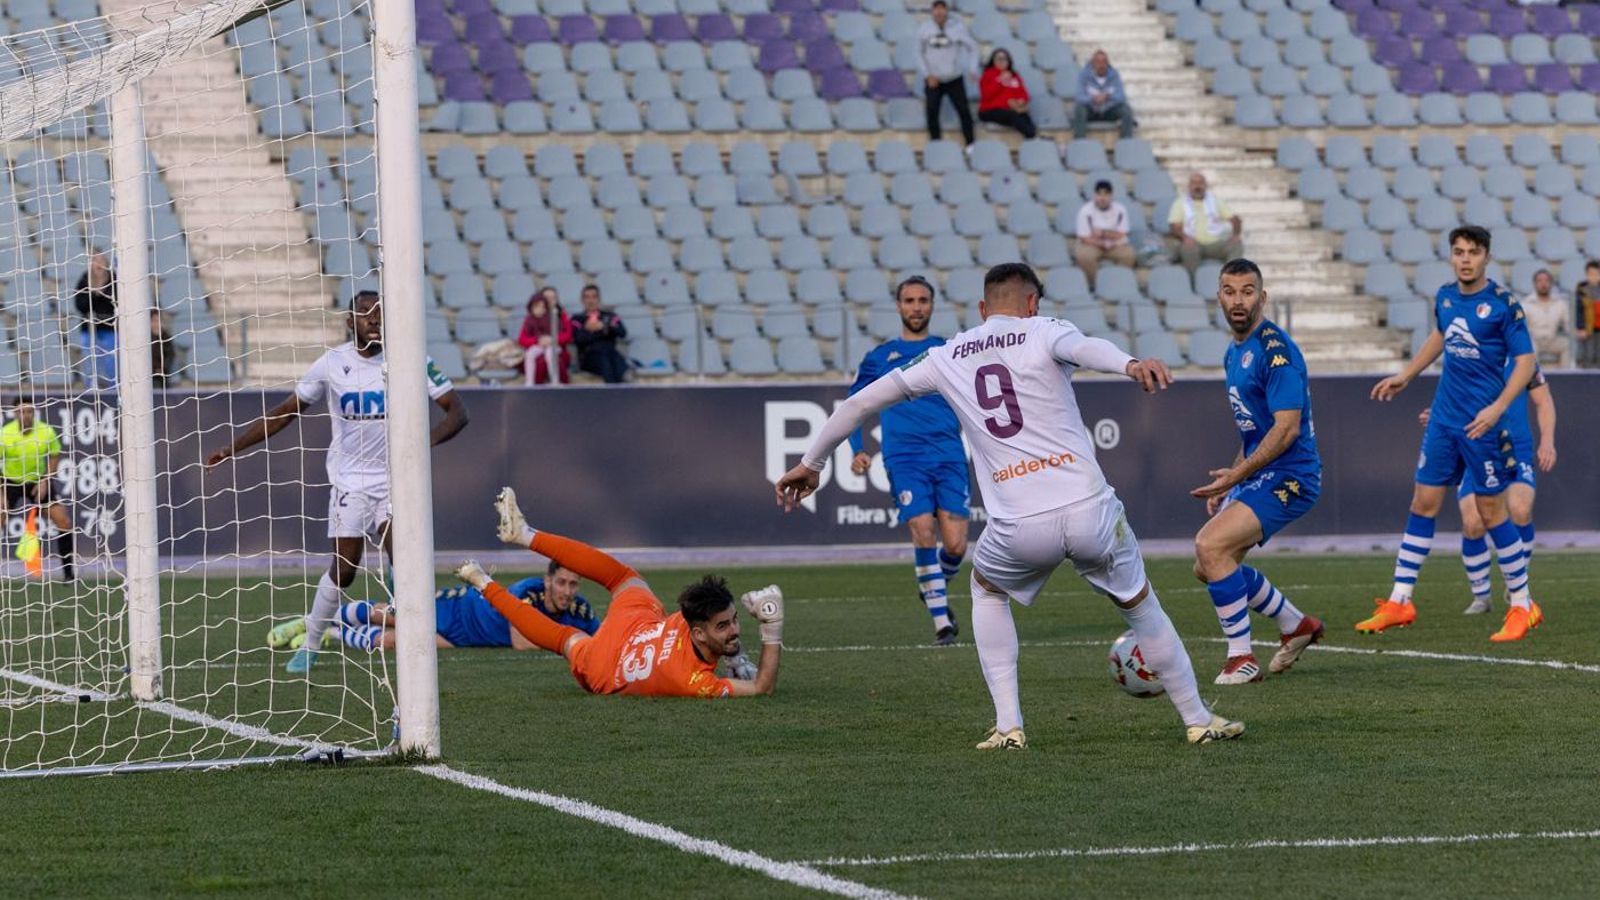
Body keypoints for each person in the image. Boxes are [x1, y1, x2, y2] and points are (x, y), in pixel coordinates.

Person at [776, 262, 1243, 748]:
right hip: (1089, 510)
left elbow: (857, 405)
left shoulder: (946, 354)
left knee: (987, 591)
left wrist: (812, 462)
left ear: (982, 309)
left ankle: (1009, 726)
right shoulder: (1044, 331)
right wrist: (1129, 364)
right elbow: (1085, 349)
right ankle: (1197, 719)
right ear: (1033, 304)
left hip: (1020, 525)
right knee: (1142, 606)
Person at [205, 290, 470, 672]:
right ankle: (312, 643)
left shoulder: (411, 359)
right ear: (350, 322)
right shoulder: (332, 364)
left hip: (397, 480)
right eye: (365, 313)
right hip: (350, 482)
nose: (374, 319)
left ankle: (408, 631)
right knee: (345, 570)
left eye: (380, 312)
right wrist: (232, 448)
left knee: (405, 559)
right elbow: (285, 413)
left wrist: (418, 446)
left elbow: (457, 413)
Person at [1363, 226, 1540, 642]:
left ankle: (1522, 605)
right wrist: (1407, 375)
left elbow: (1527, 362)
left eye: (1473, 253)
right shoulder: (1444, 297)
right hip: (1443, 420)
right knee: (1423, 502)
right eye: (1458, 252)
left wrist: (1497, 408)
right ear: (1451, 256)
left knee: (1490, 511)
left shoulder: (1502, 305)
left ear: (1486, 258)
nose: (1465, 259)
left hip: (1482, 424)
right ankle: (1400, 600)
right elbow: (1441, 336)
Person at [458, 486, 783, 698]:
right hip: (612, 665)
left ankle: (525, 537)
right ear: (697, 632)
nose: (735, 628)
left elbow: (706, 622)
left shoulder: (692, 622)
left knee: (623, 578)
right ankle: (484, 581)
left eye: (734, 621)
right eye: (725, 625)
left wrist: (734, 651)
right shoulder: (694, 682)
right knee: (564, 639)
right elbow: (761, 687)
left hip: (639, 630)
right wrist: (771, 628)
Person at [1190, 260, 1325, 685]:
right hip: (1263, 473)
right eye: (1230, 291)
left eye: (1247, 291)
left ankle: (1241, 659)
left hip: (1293, 475)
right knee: (1208, 563)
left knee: (1210, 545)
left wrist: (1238, 476)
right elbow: (1256, 427)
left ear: (1262, 298)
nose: (1238, 300)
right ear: (1219, 297)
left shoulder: (1275, 350)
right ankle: (1295, 624)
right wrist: (1233, 474)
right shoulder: (1234, 351)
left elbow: (1286, 429)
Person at [848, 275, 969, 646]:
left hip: (949, 454)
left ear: (932, 305)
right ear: (898, 306)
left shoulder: (949, 350)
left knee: (955, 547)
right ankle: (942, 625)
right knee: (922, 530)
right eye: (909, 300)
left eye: (922, 300)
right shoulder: (880, 358)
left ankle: (931, 586)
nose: (916, 307)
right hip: (905, 458)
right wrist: (857, 449)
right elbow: (854, 406)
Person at [1422, 364, 1555, 616]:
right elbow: (1452, 400)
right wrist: (1439, 416)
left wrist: (1547, 441)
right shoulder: (1466, 357)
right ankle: (1481, 597)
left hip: (1516, 450)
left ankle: (1516, 583)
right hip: (1476, 449)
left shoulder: (1523, 360)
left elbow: (1544, 400)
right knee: (1473, 522)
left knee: (1520, 509)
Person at [319, 561, 599, 652]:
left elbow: (603, 636)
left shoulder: (580, 610)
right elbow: (521, 641)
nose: (566, 590)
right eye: (561, 582)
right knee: (393, 614)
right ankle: (320, 620)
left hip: (466, 638)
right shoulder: (527, 590)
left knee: (391, 642)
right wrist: (571, 641)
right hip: (459, 609)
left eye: (573, 585)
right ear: (549, 580)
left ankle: (333, 634)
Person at [0, 402, 74, 581]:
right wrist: (1, 493)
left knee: (63, 521)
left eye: (29, 411)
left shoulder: (46, 431)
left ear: (33, 413)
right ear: (15, 413)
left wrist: (45, 480)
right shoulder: (5, 434)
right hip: (10, 481)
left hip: (37, 481)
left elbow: (55, 455)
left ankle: (69, 575)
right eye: (21, 411)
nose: (25, 415)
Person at [917, 0, 978, 146]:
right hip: (933, 79)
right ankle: (936, 143)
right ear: (932, 11)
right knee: (932, 111)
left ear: (946, 11)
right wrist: (927, 75)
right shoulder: (924, 29)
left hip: (954, 78)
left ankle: (970, 144)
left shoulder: (957, 28)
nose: (939, 12)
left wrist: (973, 68)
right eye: (936, 9)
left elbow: (973, 47)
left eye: (942, 9)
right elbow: (918, 53)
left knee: (964, 111)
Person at [1167, 172, 1243, 273]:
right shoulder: (1180, 203)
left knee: (1236, 245)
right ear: (1189, 186)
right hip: (1193, 243)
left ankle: (1231, 279)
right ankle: (1193, 283)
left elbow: (1235, 219)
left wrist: (1235, 234)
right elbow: (1174, 226)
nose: (1197, 186)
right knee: (1188, 248)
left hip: (1215, 243)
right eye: (1194, 183)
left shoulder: (1216, 201)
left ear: (1205, 185)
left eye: (1200, 183)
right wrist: (1185, 238)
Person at [1072, 180, 1135, 287]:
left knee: (1129, 255)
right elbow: (1084, 237)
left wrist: (1102, 233)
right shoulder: (1086, 211)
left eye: (1106, 194)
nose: (1102, 198)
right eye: (1099, 194)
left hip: (1115, 244)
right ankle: (1096, 285)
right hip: (1091, 244)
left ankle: (1118, 284)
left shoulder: (1120, 209)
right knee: (1084, 256)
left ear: (1111, 196)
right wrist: (1102, 242)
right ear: (1094, 195)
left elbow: (1122, 233)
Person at [73, 252, 117, 390]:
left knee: (112, 361)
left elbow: (118, 303)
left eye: (101, 261)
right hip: (89, 329)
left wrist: (103, 294)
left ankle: (114, 388)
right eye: (95, 261)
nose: (98, 264)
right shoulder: (84, 281)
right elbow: (80, 305)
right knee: (91, 360)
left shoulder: (114, 280)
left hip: (110, 328)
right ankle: (91, 388)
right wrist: (94, 294)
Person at [572, 284, 629, 384]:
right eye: (587, 297)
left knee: (620, 364)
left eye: (594, 297)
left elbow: (622, 333)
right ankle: (613, 395)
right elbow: (578, 339)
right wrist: (590, 330)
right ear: (582, 300)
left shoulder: (610, 316)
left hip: (610, 353)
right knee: (605, 363)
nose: (591, 301)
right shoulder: (577, 319)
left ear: (599, 299)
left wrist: (603, 327)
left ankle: (622, 395)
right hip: (589, 357)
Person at [1072, 49, 1134, 139]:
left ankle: (1126, 143)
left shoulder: (1114, 75)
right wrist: (1092, 98)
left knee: (1126, 110)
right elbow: (1079, 96)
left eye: (1104, 62)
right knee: (1079, 109)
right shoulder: (1084, 75)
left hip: (1109, 111)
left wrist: (1107, 96)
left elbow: (1121, 96)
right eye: (1098, 62)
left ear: (1108, 63)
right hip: (1091, 110)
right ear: (1092, 63)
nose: (1101, 65)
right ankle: (1080, 142)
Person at [977, 49, 1037, 139]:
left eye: (1004, 59)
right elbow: (986, 95)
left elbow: (1024, 94)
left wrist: (1021, 101)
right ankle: (1032, 137)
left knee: (1026, 117)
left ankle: (1033, 139)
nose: (1002, 61)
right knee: (1013, 115)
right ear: (993, 61)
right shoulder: (988, 74)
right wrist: (1000, 81)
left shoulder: (1014, 75)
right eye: (999, 59)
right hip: (990, 110)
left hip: (1012, 108)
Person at [518, 288, 573, 385]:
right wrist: (538, 340)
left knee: (551, 356)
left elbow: (568, 336)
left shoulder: (561, 316)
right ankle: (531, 384)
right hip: (539, 347)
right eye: (547, 298)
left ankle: (557, 382)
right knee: (534, 358)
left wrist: (553, 340)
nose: (550, 301)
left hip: (557, 349)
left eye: (553, 298)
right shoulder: (531, 318)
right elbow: (522, 339)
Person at [1521, 269, 1570, 366]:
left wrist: (1575, 332)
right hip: (1534, 340)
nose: (1543, 284)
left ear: (1551, 284)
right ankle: (1535, 378)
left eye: (1546, 281)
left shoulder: (1560, 303)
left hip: (1552, 339)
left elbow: (1568, 324)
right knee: (1530, 347)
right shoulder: (1526, 303)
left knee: (1568, 344)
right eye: (1540, 281)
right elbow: (1521, 326)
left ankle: (1566, 376)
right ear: (1535, 284)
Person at [1574, 260, 1600, 367]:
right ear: (1586, 275)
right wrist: (1581, 327)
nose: (1593, 277)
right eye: (1591, 274)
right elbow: (1579, 311)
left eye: (1596, 274)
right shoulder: (1582, 290)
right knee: (1589, 354)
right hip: (1589, 328)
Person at [150, 310, 177, 389]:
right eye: (154, 321)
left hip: (162, 376)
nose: (156, 324)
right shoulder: (145, 339)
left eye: (158, 321)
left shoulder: (166, 338)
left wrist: (162, 368)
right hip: (148, 375)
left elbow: (170, 356)